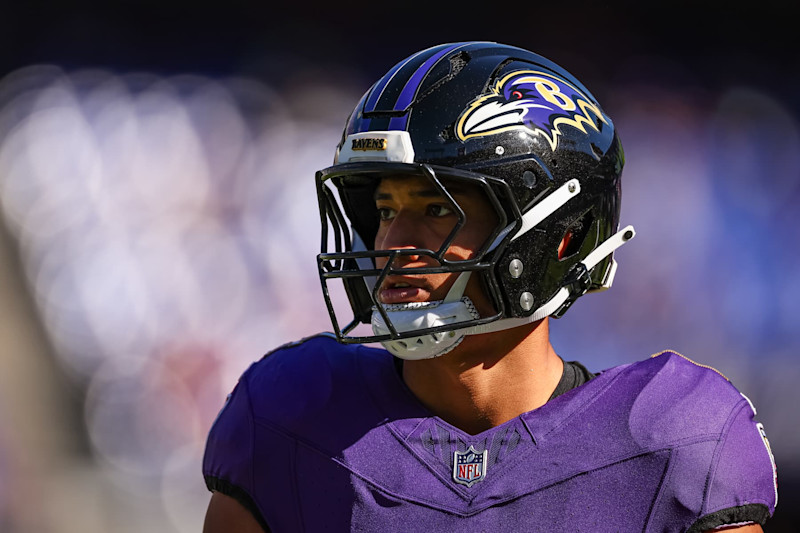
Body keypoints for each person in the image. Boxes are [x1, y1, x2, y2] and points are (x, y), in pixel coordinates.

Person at [202, 41, 778, 532]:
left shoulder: (672, 441)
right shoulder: (290, 419)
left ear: (557, 237)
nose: (392, 243)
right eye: (383, 209)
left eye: (435, 207)